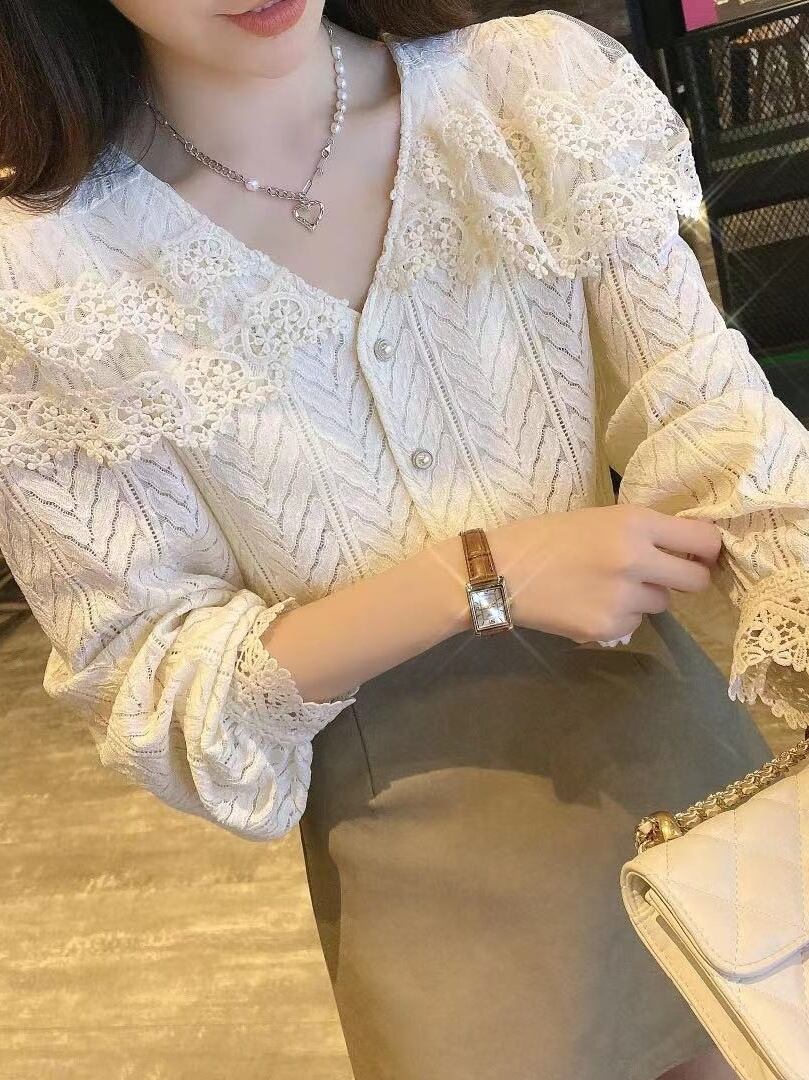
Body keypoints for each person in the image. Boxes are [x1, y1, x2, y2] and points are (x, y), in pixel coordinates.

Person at [1, 1, 807, 1077]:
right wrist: (474, 576)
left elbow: (717, 425)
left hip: (690, 787)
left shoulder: (526, 92)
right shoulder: (45, 279)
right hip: (430, 890)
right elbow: (155, 681)